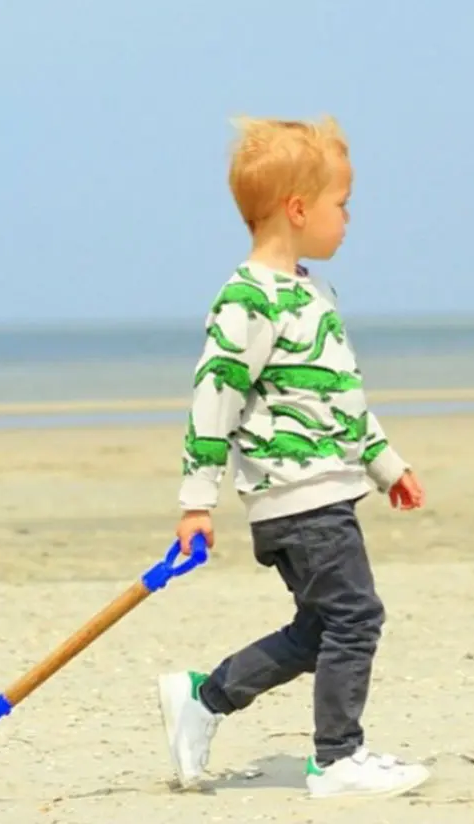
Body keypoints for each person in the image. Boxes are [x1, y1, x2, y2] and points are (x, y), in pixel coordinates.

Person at [156, 115, 430, 800]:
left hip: (326, 490)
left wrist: (385, 464)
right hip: (296, 497)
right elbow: (213, 398)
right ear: (299, 209)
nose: (349, 218)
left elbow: (341, 398)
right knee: (356, 617)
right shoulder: (248, 299)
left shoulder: (312, 293)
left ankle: (205, 699)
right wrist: (196, 501)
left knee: (321, 629)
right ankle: (338, 757)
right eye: (342, 204)